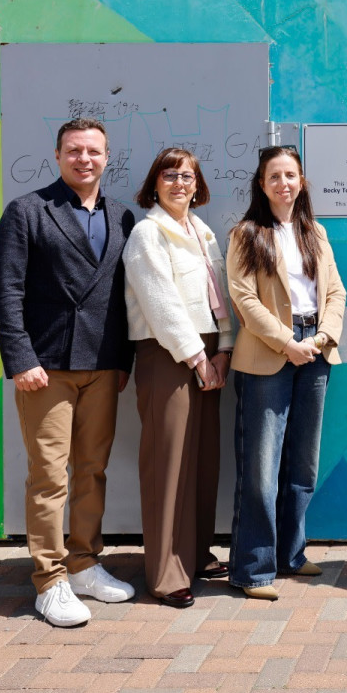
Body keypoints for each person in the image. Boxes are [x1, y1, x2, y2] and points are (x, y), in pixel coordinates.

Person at [0, 118, 136, 627]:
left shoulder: (123, 217)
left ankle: (84, 563)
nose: (84, 159)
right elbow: (5, 291)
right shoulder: (28, 211)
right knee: (49, 477)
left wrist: (124, 361)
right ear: (57, 156)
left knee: (92, 470)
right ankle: (49, 580)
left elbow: (124, 297)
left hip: (102, 364)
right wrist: (21, 359)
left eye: (94, 151)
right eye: (74, 151)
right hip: (45, 368)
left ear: (107, 156)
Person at [226, 146, 347, 601]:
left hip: (315, 350)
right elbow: (244, 299)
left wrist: (320, 339)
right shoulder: (245, 234)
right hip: (268, 354)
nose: (283, 183)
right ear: (262, 184)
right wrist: (286, 342)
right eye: (274, 176)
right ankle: (252, 569)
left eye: (290, 175)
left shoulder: (315, 232)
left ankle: (291, 554)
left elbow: (335, 291)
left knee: (303, 462)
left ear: (301, 181)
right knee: (261, 466)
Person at [123, 148, 234, 609]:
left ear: (197, 184)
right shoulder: (148, 233)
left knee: (203, 460)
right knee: (168, 465)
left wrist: (224, 349)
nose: (179, 183)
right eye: (169, 175)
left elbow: (219, 295)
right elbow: (161, 303)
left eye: (187, 176)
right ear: (155, 183)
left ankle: (196, 554)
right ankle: (166, 574)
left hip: (209, 352)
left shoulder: (203, 231)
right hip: (169, 355)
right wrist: (197, 357)